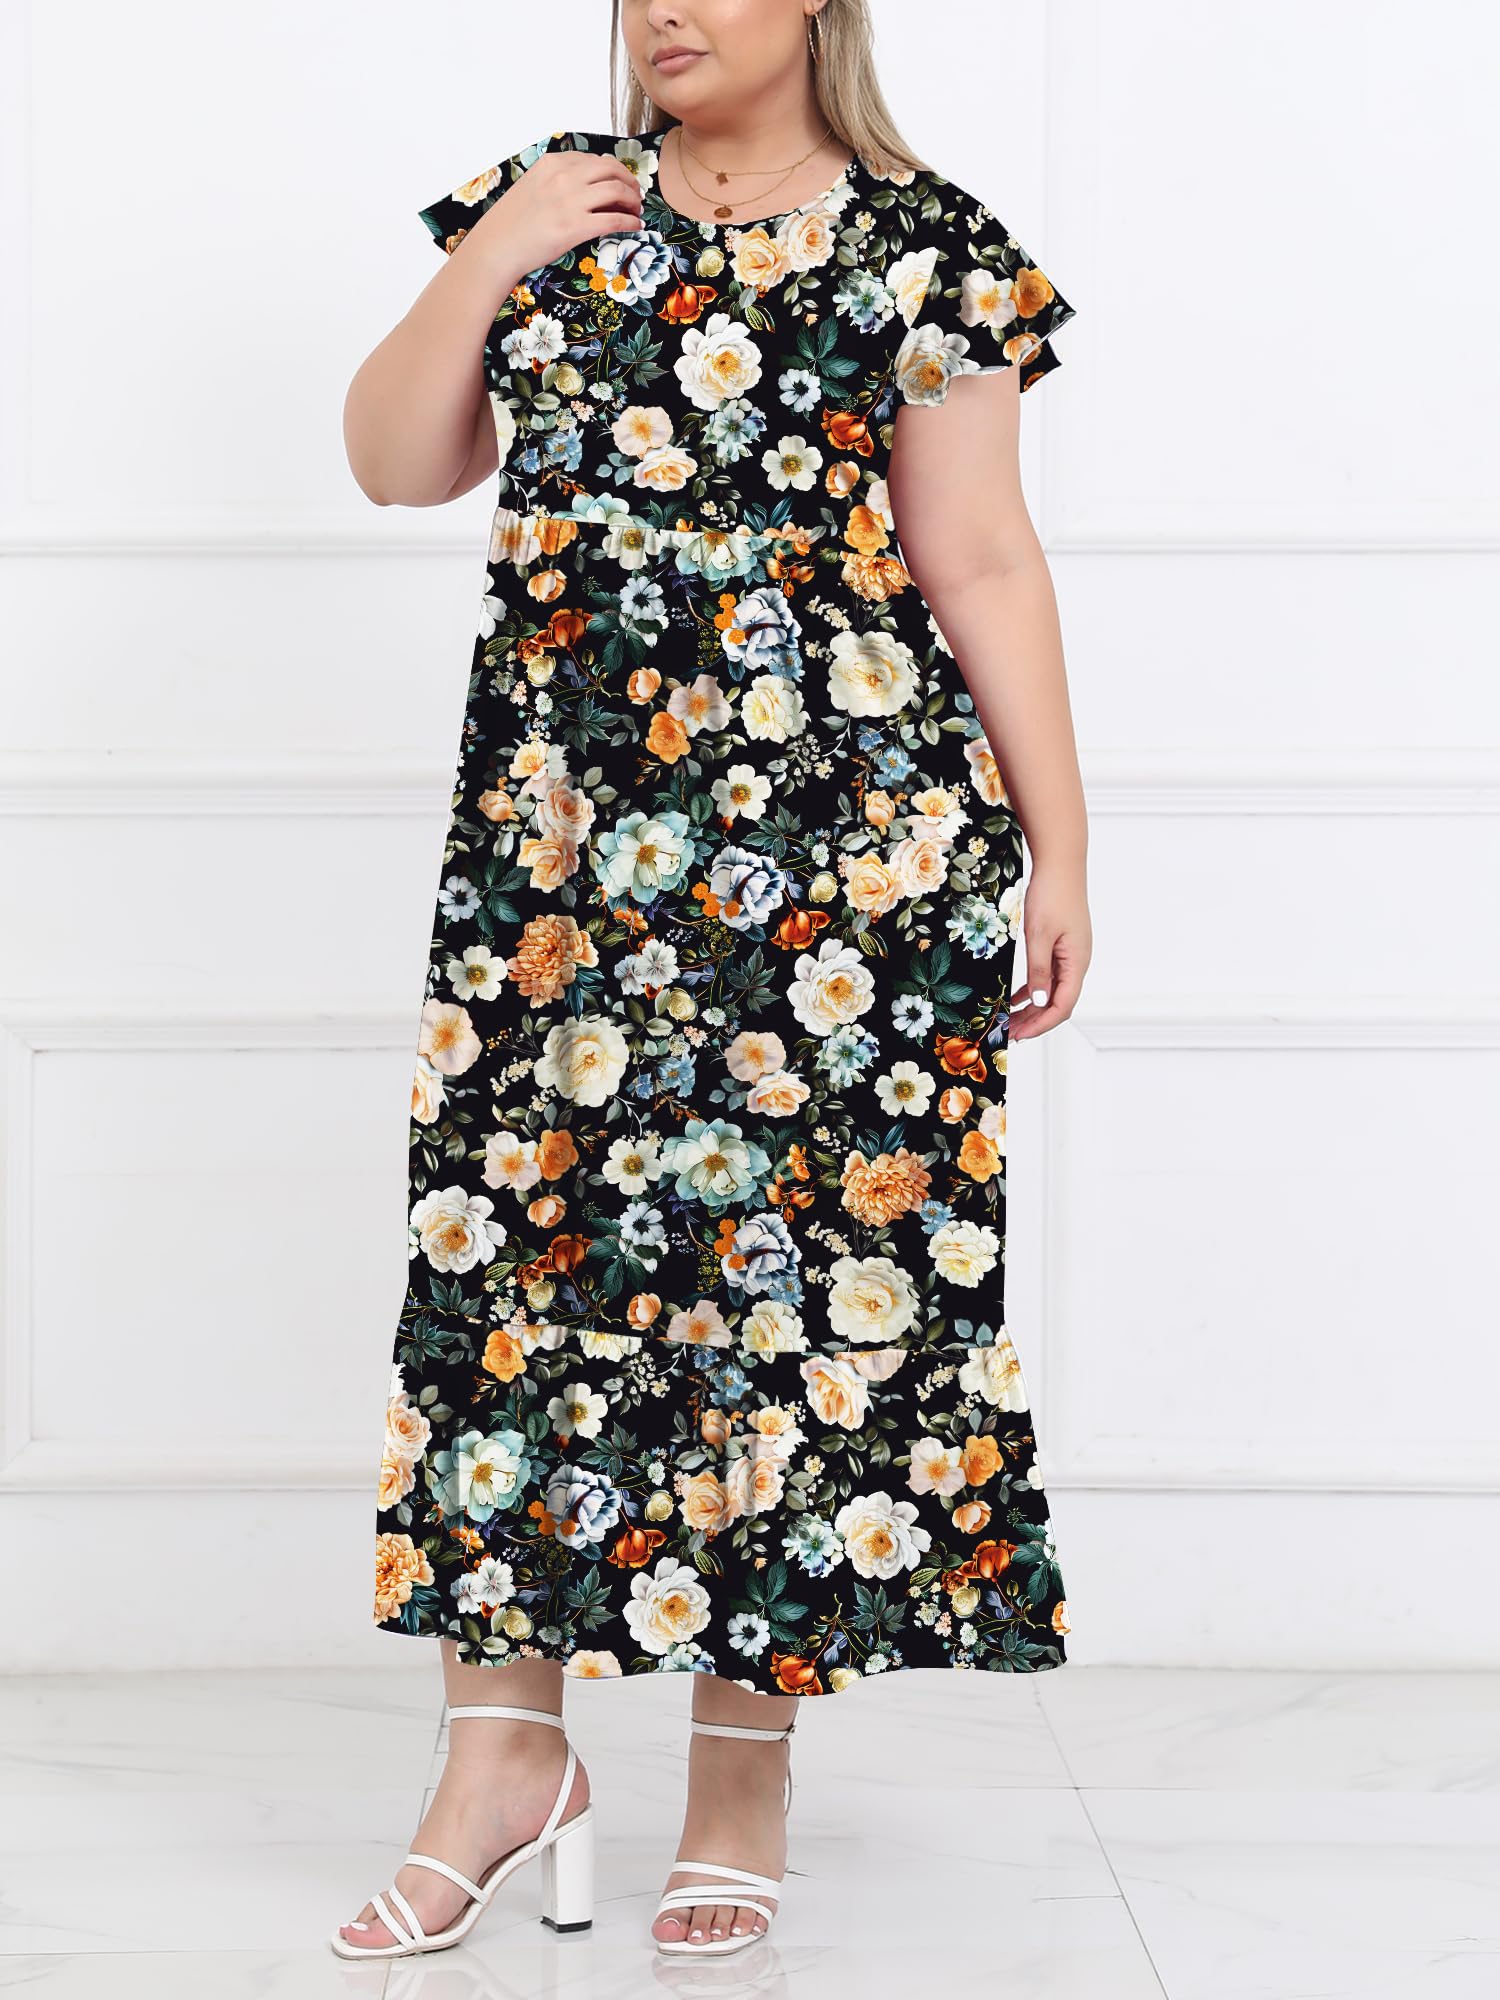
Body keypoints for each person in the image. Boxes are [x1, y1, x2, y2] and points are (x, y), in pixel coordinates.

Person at [337, 0, 1090, 1965]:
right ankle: (502, 1761)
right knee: (523, 1279)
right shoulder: (548, 201)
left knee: (791, 1293)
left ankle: (740, 1780)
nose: (664, 9)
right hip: (560, 868)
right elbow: (396, 462)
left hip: (846, 864)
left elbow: (981, 559)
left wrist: (1062, 847)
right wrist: (497, 255)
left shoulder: (927, 243)